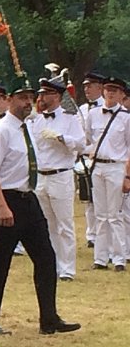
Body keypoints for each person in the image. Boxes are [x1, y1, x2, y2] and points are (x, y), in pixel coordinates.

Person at [0, 74, 81, 335]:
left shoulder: (27, 128)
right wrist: (1, 206)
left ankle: (49, 318)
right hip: (8, 199)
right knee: (0, 262)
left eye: (30, 97)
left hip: (28, 198)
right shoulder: (1, 131)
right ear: (9, 99)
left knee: (46, 258)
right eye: (22, 97)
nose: (28, 102)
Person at [30, 73, 83, 281]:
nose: (42, 97)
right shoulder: (37, 120)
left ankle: (67, 268)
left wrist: (62, 138)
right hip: (41, 176)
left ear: (57, 96)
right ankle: (52, 265)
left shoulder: (70, 118)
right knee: (46, 224)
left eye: (47, 93)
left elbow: (81, 143)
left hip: (61, 174)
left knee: (64, 224)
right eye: (41, 93)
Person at [86, 74, 130, 271]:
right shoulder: (93, 114)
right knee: (100, 214)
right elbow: (88, 138)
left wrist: (127, 176)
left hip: (116, 166)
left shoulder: (126, 118)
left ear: (121, 95)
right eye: (108, 89)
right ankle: (100, 258)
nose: (110, 93)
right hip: (98, 166)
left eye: (115, 90)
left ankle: (119, 258)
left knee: (115, 214)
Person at [79, 71, 107, 247]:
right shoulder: (82, 109)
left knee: (104, 201)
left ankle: (105, 235)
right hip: (86, 157)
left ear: (100, 87)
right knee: (88, 198)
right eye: (85, 86)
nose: (86, 89)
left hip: (103, 157)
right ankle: (92, 235)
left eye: (90, 86)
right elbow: (82, 135)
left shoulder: (108, 107)